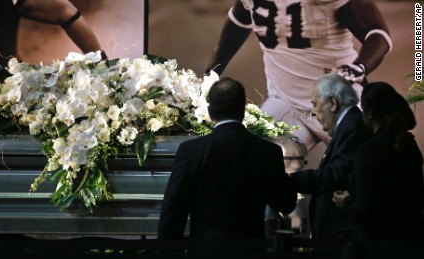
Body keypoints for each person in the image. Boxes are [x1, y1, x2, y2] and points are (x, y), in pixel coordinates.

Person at [205, 0, 391, 152]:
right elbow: (237, 24)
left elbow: (378, 34)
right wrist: (210, 73)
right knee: (253, 162)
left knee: (358, 173)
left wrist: (360, 66)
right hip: (285, 103)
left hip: (338, 103)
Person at [158, 77, 297, 256]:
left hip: (206, 252)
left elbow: (174, 212)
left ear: (209, 111)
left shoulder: (191, 151)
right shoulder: (268, 152)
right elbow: (285, 203)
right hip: (251, 252)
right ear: (243, 109)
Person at [333, 82, 424, 259]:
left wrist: (345, 201)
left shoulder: (368, 151)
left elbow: (365, 208)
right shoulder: (409, 146)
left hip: (375, 246)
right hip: (411, 243)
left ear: (370, 113)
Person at [288, 73, 371, 253]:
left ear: (332, 103)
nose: (312, 112)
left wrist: (288, 179)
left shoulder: (353, 126)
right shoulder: (349, 125)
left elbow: (335, 174)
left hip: (342, 238)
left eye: (315, 104)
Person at [0, 0, 105, 84]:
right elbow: (66, 11)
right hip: (5, 89)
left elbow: (65, 11)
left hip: (1, 91)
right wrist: (101, 61)